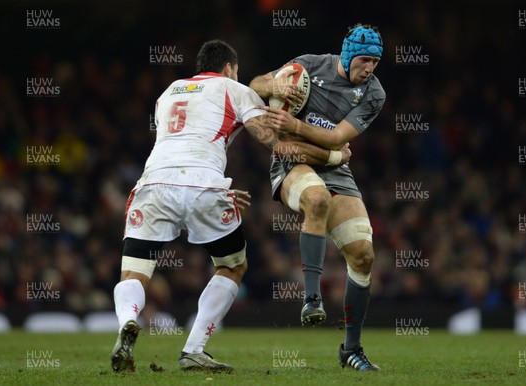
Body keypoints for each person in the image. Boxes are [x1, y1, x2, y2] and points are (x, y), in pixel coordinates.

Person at [110, 39, 351, 373]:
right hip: (205, 186)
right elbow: (279, 148)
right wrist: (333, 155)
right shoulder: (235, 89)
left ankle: (127, 321)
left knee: (134, 270)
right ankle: (193, 349)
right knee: (232, 266)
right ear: (229, 68)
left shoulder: (168, 93)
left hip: (153, 184)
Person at [249, 23, 385, 371]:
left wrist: (294, 127)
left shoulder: (374, 94)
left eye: (375, 62)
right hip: (292, 161)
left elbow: (338, 137)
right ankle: (311, 298)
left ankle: (351, 349)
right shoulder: (310, 65)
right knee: (318, 199)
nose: (369, 69)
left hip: (333, 164)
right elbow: (255, 85)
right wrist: (274, 84)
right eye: (365, 60)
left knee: (364, 255)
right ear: (349, 54)